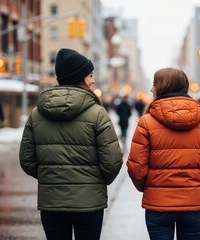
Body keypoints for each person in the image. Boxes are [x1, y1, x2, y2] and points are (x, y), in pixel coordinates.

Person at [19, 48, 123, 240]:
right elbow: (112, 161)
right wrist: (96, 182)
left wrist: (50, 177)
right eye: (90, 75)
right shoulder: (98, 113)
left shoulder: (36, 114)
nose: (93, 80)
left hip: (51, 202)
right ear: (81, 78)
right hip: (89, 203)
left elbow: (27, 160)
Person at [127, 68, 200, 240]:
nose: (151, 89)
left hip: (158, 205)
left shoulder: (146, 122)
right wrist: (197, 185)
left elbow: (136, 168)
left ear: (162, 87)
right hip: (193, 206)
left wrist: (150, 188)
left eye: (153, 85)